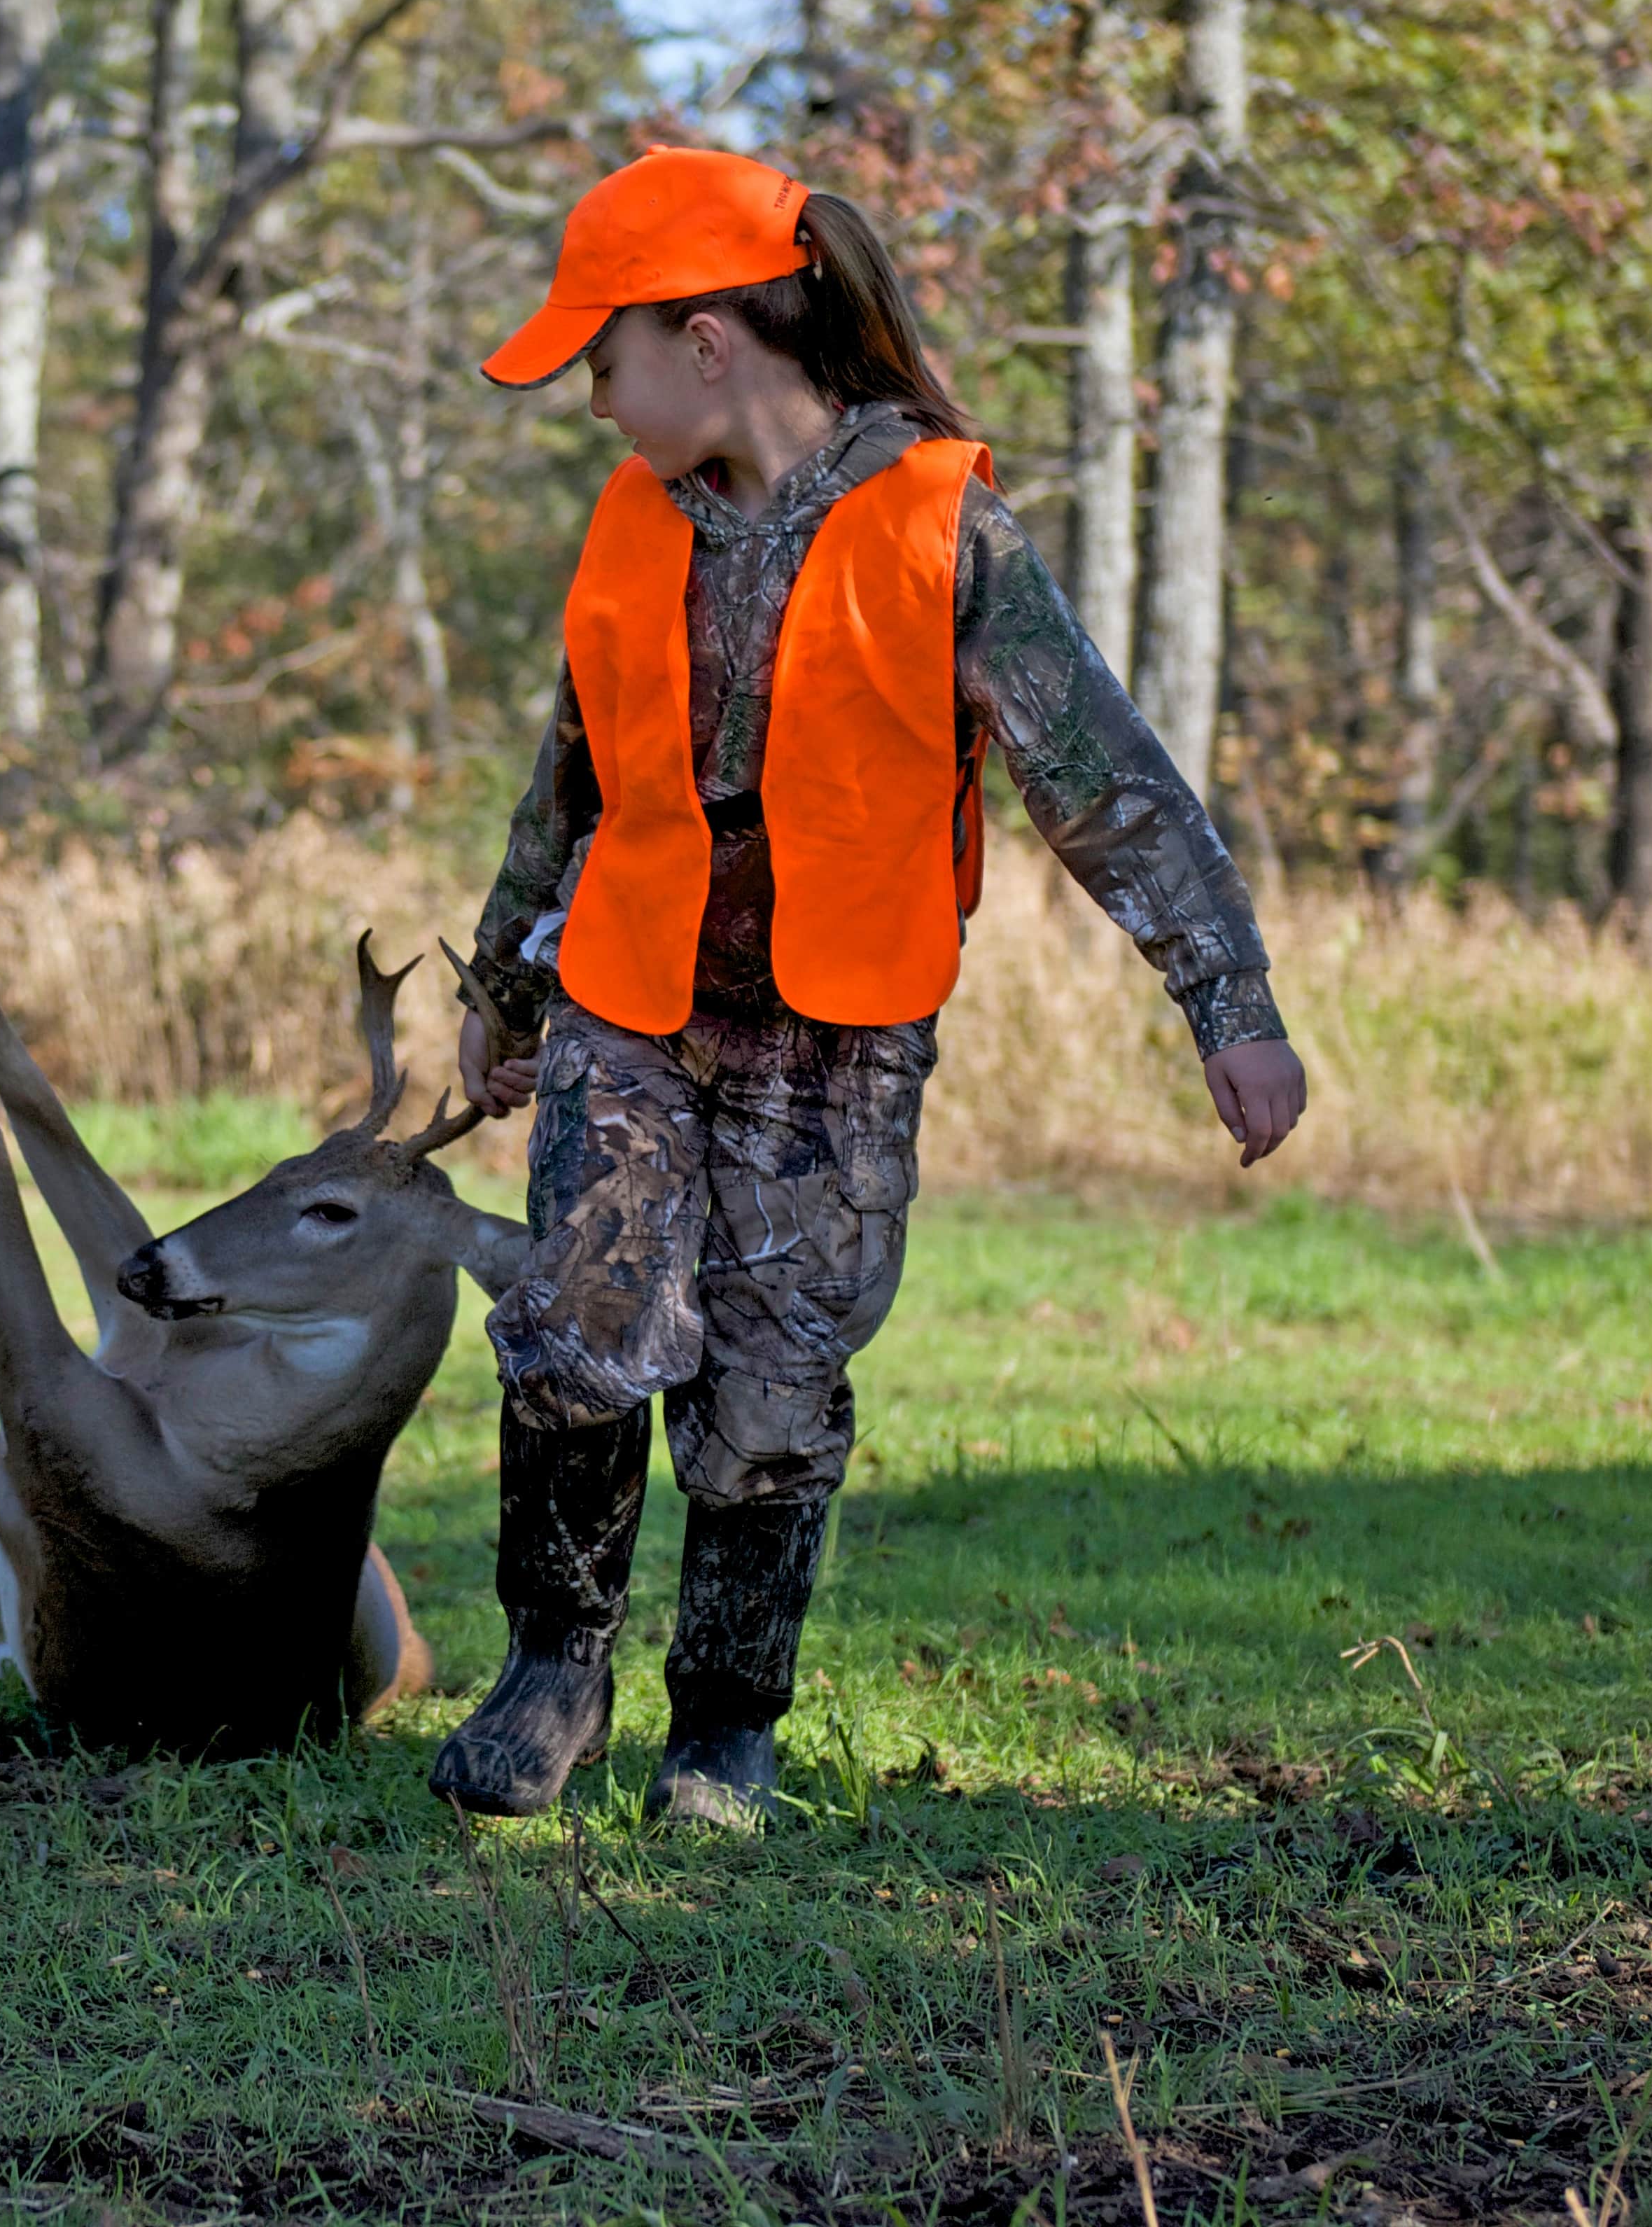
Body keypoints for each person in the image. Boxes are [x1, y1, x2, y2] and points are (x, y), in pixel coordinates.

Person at [435, 146, 1307, 1829]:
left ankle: (722, 1732)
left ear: (705, 342)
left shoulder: (939, 522)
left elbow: (1104, 782)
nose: (591, 401)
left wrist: (1230, 1001)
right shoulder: (631, 522)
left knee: (772, 1391)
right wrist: (503, 981)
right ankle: (552, 1670)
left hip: (832, 1040)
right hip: (628, 1001)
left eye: (597, 360)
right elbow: (570, 775)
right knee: (579, 1334)